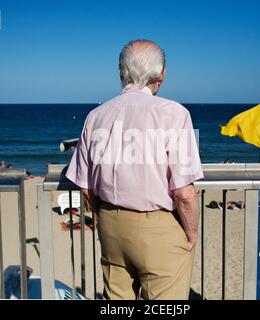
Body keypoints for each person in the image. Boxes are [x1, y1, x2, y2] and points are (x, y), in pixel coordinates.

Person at [66, 39, 203, 300]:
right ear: (161, 75)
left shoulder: (96, 116)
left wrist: (103, 216)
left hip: (111, 226)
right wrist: (191, 233)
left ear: (121, 72)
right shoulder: (174, 114)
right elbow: (184, 193)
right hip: (159, 228)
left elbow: (85, 186)